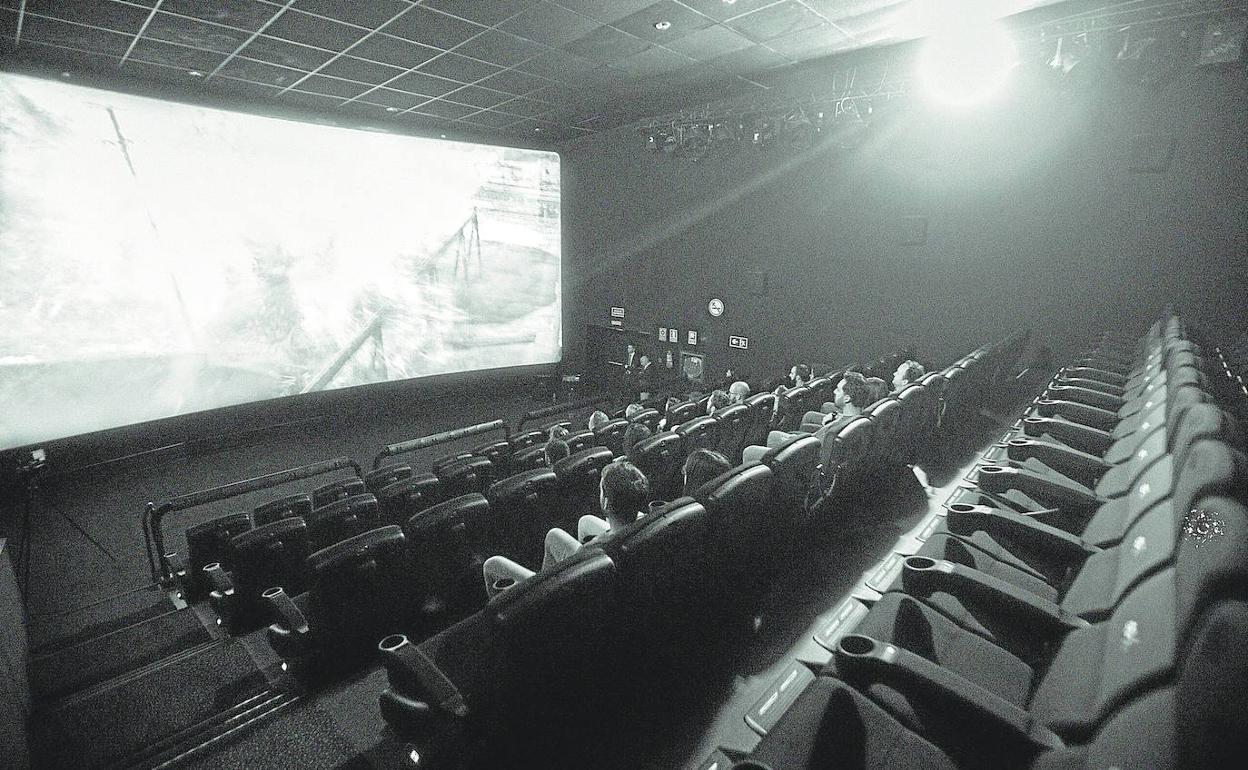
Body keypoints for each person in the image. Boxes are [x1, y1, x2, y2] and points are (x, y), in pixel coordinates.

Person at [481, 460, 650, 596]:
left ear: (605, 502)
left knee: (492, 564)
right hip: (622, 537)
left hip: (574, 585)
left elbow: (579, 567)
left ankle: (542, 594)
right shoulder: (647, 522)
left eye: (601, 490)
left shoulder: (590, 552)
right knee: (568, 529)